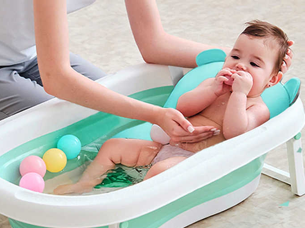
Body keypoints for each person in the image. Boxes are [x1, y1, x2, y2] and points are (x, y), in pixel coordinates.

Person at [0, 1, 292, 145]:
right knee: (70, 126)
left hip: (30, 51)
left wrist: (249, 62)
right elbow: (58, 78)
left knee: (111, 115)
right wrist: (155, 114)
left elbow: (154, 44)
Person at [53, 20, 291, 195]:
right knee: (112, 146)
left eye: (253, 64)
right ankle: (86, 183)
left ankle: (130, 202)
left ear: (271, 81)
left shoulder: (257, 107)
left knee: (160, 172)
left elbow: (235, 132)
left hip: (194, 161)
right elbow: (183, 107)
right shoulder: (213, 84)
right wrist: (212, 91)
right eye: (235, 56)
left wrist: (239, 94)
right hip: (163, 148)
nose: (240, 66)